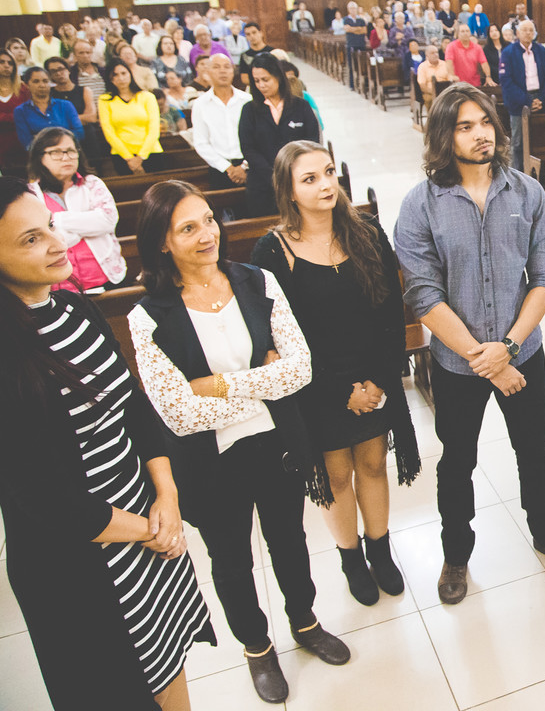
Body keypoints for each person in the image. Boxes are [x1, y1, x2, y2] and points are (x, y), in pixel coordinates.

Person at [128, 180, 349, 704]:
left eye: (208, 219)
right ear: (163, 242)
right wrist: (263, 387)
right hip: (208, 461)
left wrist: (222, 386)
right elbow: (178, 413)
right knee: (230, 560)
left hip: (277, 445)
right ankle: (256, 647)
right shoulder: (148, 317)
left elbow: (301, 369)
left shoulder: (257, 281)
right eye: (188, 228)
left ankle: (305, 621)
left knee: (290, 541)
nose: (207, 235)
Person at [0, 176, 212, 711]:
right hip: (83, 565)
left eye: (49, 226)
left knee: (166, 654)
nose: (57, 243)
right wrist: (150, 530)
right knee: (115, 685)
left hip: (146, 530)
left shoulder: (74, 309)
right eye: (30, 240)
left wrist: (165, 494)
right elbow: (47, 501)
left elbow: (133, 405)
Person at [395, 84, 545, 604]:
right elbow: (423, 293)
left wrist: (506, 346)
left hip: (523, 352)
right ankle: (456, 555)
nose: (481, 133)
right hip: (457, 367)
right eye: (465, 126)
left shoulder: (525, 192)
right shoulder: (421, 206)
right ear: (443, 135)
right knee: (457, 461)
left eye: (485, 122)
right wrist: (485, 359)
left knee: (535, 451)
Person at [253, 141, 420, 606]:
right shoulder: (272, 250)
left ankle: (380, 549)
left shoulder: (365, 230)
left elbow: (391, 311)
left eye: (328, 172)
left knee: (372, 463)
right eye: (310, 179)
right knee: (335, 474)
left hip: (373, 373)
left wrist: (381, 381)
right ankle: (351, 559)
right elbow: (278, 337)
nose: (326, 184)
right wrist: (338, 390)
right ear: (288, 191)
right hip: (317, 383)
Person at [24, 126, 127, 292]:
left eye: (71, 151)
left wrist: (57, 220)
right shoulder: (29, 194)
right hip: (59, 288)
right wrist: (87, 224)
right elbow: (38, 239)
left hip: (106, 279)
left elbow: (107, 220)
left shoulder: (92, 184)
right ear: (40, 157)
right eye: (56, 152)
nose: (66, 158)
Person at [238, 53, 320, 216]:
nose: (261, 85)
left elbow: (311, 142)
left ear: (278, 77)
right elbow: (248, 148)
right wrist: (274, 176)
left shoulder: (301, 107)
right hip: (263, 185)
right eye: (257, 81)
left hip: (298, 181)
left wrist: (293, 173)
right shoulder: (249, 110)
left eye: (265, 79)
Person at [191, 53, 252, 191]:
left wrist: (243, 166)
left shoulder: (247, 100)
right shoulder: (201, 104)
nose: (223, 71)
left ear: (232, 71)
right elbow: (201, 143)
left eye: (227, 67)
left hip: (249, 165)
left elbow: (258, 137)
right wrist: (228, 168)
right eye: (217, 67)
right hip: (219, 167)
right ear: (208, 72)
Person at [498, 19, 545, 171]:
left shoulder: (540, 50)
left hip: (541, 98)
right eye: (525, 30)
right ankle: (517, 174)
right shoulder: (508, 52)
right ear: (517, 33)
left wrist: (541, 98)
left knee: (541, 140)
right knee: (518, 142)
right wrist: (528, 101)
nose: (528, 33)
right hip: (519, 102)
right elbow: (506, 81)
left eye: (531, 30)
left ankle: (541, 175)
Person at [97, 61, 163, 176]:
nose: (121, 78)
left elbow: (153, 128)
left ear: (130, 74)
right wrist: (129, 158)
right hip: (122, 155)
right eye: (115, 75)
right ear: (110, 78)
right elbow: (108, 131)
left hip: (151, 151)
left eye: (124, 73)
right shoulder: (104, 100)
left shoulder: (147, 96)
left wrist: (141, 157)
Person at [14, 66, 84, 150]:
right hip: (39, 155)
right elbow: (27, 142)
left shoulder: (66, 105)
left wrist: (42, 138)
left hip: (67, 150)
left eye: (45, 81)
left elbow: (79, 133)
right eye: (36, 81)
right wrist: (64, 135)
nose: (42, 85)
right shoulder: (21, 111)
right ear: (27, 85)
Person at [46, 56, 101, 159]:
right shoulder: (49, 95)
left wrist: (65, 120)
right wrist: (79, 118)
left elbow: (91, 117)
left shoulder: (84, 91)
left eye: (61, 69)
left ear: (68, 70)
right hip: (60, 137)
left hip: (86, 134)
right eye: (53, 71)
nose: (58, 73)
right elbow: (51, 120)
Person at [0, 51, 31, 168]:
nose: (6, 65)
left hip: (21, 140)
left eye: (10, 63)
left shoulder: (24, 88)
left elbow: (28, 114)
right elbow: (20, 115)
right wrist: (15, 116)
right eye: (1, 62)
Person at [446, 22, 495, 88]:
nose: (465, 33)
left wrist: (488, 76)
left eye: (467, 31)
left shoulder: (477, 47)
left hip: (475, 84)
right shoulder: (451, 46)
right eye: (462, 31)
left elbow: (484, 63)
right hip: (458, 85)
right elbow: (449, 62)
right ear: (458, 34)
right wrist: (451, 75)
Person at [416, 45, 457, 113]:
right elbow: (422, 85)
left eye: (436, 52)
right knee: (431, 100)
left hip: (446, 92)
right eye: (432, 53)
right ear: (427, 56)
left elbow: (450, 80)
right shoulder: (422, 67)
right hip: (430, 93)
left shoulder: (445, 64)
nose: (435, 55)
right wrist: (434, 92)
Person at [343, 4, 370, 91]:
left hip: (361, 44)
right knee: (352, 65)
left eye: (354, 8)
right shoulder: (346, 19)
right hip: (351, 44)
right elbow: (347, 29)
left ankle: (364, 84)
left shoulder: (361, 19)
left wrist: (353, 29)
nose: (353, 10)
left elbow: (364, 30)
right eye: (351, 8)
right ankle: (352, 84)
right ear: (348, 9)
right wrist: (358, 29)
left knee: (363, 65)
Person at [237, 21, 272, 89]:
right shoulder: (244, 56)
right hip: (253, 89)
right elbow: (244, 78)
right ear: (246, 37)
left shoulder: (272, 52)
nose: (252, 36)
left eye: (254, 32)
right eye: (248, 34)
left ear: (261, 33)